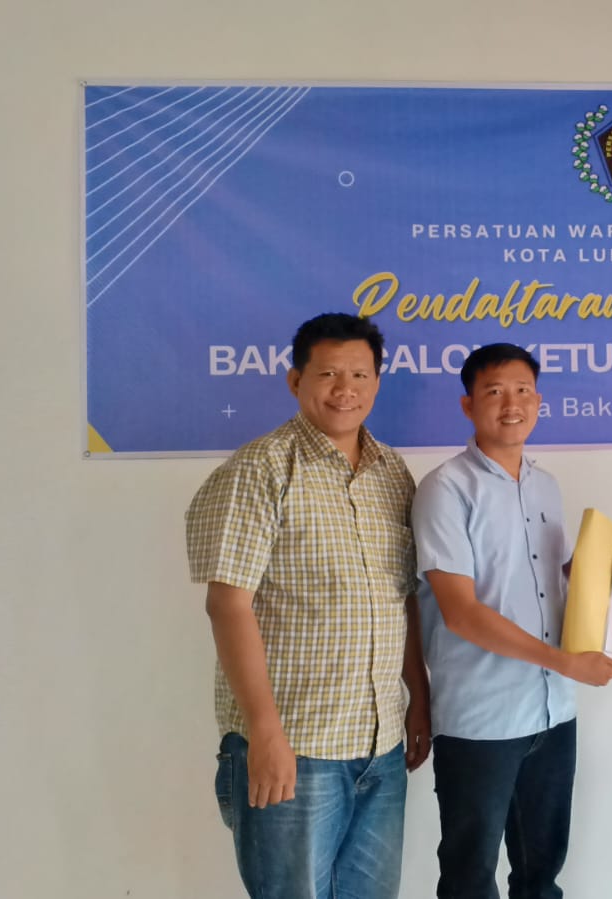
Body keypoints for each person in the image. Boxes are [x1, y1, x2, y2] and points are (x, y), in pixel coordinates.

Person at [184, 312, 430, 899]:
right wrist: (265, 733)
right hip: (296, 746)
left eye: (360, 375)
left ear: (377, 382)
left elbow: (402, 599)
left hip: (380, 747)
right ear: (296, 380)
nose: (345, 389)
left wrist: (418, 698)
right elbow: (228, 606)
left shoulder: (393, 473)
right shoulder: (260, 469)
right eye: (328, 374)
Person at [412, 343, 612, 899]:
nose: (512, 404)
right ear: (468, 405)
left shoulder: (544, 484)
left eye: (523, 391)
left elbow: (558, 578)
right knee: (469, 876)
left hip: (553, 712)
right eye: (495, 391)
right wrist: (566, 663)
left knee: (541, 876)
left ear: (538, 400)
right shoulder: (445, 488)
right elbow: (461, 612)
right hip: (481, 717)